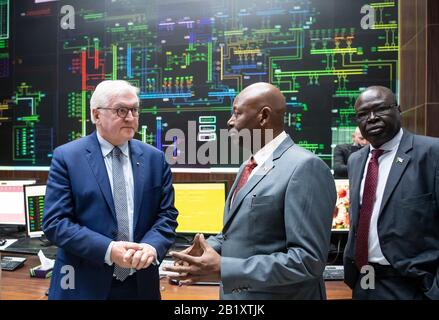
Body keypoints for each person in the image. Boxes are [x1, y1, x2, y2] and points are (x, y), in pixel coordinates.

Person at [164, 82, 336, 299]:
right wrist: (208, 249)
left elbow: (307, 261)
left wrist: (224, 268)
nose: (230, 121)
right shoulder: (249, 166)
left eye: (237, 113)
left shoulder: (305, 167)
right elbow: (241, 234)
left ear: (263, 117)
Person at [43, 80, 178, 300]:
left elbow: (167, 215)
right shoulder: (67, 157)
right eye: (121, 110)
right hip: (83, 285)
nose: (131, 118)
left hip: (141, 285)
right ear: (96, 115)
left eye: (134, 110)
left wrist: (151, 247)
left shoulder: (154, 158)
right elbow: (56, 223)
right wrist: (109, 250)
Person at [343, 85, 439, 300]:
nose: (372, 118)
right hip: (364, 280)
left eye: (380, 109)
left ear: (399, 109)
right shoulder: (356, 161)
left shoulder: (431, 153)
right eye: (363, 114)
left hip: (414, 285)